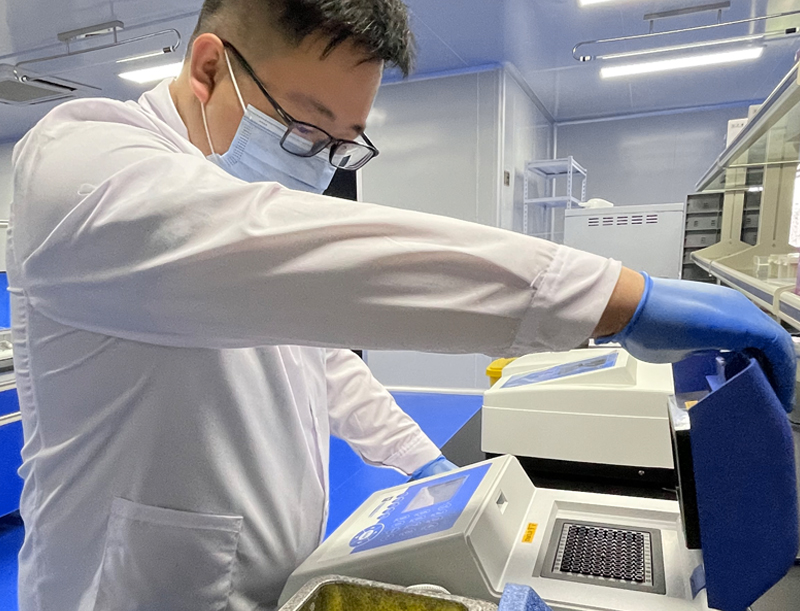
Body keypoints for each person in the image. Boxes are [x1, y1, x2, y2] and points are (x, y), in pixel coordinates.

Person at [8, 1, 794, 610]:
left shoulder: (230, 219)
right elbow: (307, 258)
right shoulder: (83, 165)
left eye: (343, 144)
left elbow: (318, 361)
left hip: (273, 578)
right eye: (305, 131)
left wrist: (426, 465)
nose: (321, 164)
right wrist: (617, 298)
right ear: (210, 68)